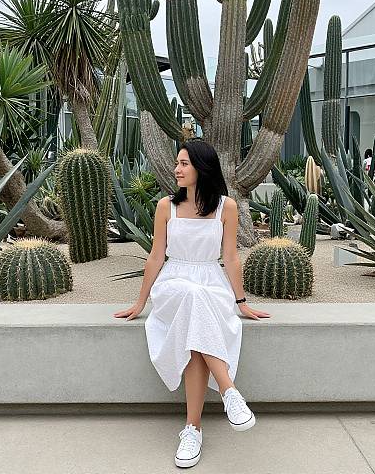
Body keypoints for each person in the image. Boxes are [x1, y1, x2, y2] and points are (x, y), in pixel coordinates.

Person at [114, 138, 270, 468]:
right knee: (191, 298)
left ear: (202, 167)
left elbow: (230, 257)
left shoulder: (226, 207)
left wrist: (241, 302)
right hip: (174, 282)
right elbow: (156, 256)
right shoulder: (165, 206)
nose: (177, 169)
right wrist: (140, 301)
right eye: (177, 163)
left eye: (184, 163)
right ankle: (229, 391)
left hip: (210, 282)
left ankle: (192, 429)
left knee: (195, 325)